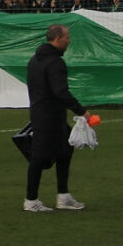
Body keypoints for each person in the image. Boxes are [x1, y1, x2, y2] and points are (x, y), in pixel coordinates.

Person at [23, 23, 88, 213]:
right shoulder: (55, 63)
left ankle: (63, 196)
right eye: (66, 37)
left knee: (65, 151)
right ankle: (31, 199)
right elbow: (61, 91)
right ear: (57, 39)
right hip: (50, 116)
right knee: (38, 158)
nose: (69, 40)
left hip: (40, 113)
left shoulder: (34, 61)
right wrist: (81, 111)